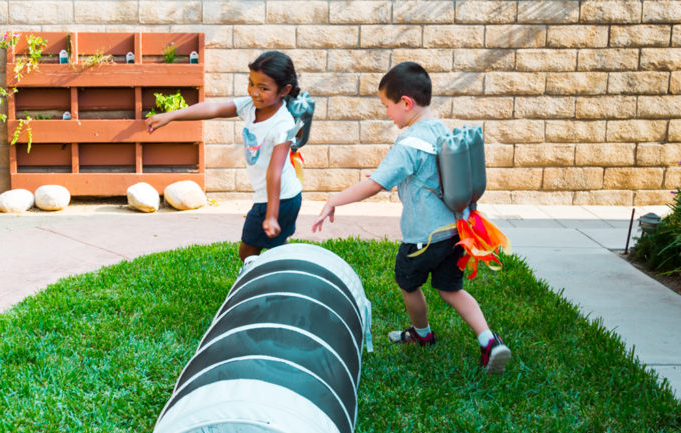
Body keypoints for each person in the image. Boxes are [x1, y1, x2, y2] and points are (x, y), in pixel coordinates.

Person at [310, 61, 511, 374]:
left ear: (406, 103)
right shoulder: (439, 130)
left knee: (408, 284)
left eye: (387, 107)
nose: (387, 114)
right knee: (451, 289)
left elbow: (374, 185)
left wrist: (334, 200)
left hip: (423, 238)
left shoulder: (407, 145)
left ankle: (422, 334)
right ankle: (489, 341)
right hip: (455, 232)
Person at [147, 51, 303, 262]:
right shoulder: (251, 107)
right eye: (251, 83)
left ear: (284, 90)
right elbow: (213, 108)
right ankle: (285, 274)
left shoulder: (282, 125)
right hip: (277, 196)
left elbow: (274, 172)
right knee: (275, 246)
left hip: (279, 198)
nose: (254, 92)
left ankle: (266, 281)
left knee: (247, 251)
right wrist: (171, 116)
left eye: (263, 88)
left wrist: (272, 214)